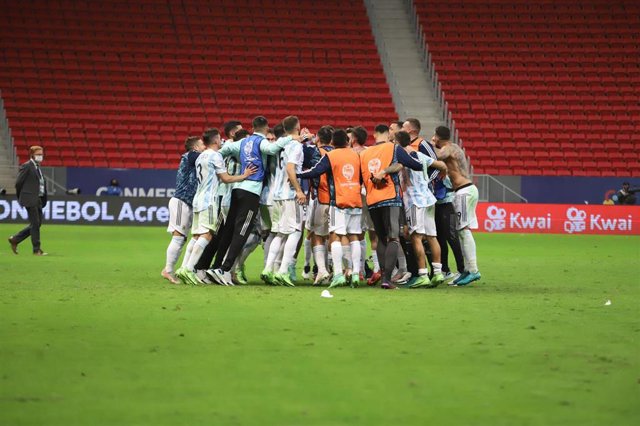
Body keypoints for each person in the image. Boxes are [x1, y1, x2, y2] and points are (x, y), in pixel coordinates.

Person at [207, 116, 301, 286]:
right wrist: (291, 137)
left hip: (237, 189)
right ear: (265, 128)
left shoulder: (243, 142)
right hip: (251, 191)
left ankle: (219, 267)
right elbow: (272, 149)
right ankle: (225, 269)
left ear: (252, 127)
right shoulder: (260, 141)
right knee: (242, 232)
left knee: (233, 231)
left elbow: (223, 150)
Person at [175, 128, 256, 285]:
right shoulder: (215, 156)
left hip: (197, 198)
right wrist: (244, 176)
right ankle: (189, 268)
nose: (221, 141)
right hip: (209, 200)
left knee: (197, 236)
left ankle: (184, 267)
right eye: (219, 139)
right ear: (215, 140)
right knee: (207, 235)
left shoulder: (200, 156)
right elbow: (225, 178)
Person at [298, 129, 364, 288]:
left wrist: (297, 175)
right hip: (355, 199)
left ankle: (338, 274)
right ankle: (355, 273)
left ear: (333, 143)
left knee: (335, 235)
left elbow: (316, 171)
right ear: (347, 142)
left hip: (337, 201)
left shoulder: (331, 155)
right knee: (354, 235)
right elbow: (361, 177)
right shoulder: (356, 155)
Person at [361, 129, 424, 289]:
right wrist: (405, 160)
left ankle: (383, 276)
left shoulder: (365, 153)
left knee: (381, 239)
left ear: (374, 135)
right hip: (390, 198)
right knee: (393, 238)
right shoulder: (393, 148)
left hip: (371, 200)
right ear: (387, 135)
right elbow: (416, 165)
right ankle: (387, 279)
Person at [395, 131, 448, 288]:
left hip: (414, 200)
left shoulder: (399, 155)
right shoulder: (418, 154)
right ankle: (438, 273)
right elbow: (441, 165)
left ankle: (423, 274)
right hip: (428, 199)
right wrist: (439, 176)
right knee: (432, 236)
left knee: (416, 237)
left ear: (397, 142)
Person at [261, 116, 308, 287]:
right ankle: (282, 271)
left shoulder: (278, 145)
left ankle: (268, 268)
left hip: (275, 195)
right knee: (295, 232)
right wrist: (298, 190)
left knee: (280, 233)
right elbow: (290, 168)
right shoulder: (295, 146)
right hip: (289, 194)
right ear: (297, 126)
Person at [434, 126, 481, 286]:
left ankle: (473, 270)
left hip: (463, 191)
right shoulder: (455, 148)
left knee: (463, 230)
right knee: (462, 231)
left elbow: (438, 156)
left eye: (435, 137)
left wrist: (429, 146)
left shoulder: (447, 148)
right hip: (467, 189)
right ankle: (467, 270)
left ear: (439, 138)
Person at [161, 136, 205, 283]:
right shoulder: (190, 156)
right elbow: (202, 157)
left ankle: (179, 269)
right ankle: (168, 270)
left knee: (184, 238)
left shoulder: (194, 157)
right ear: (195, 147)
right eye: (202, 144)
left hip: (188, 203)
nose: (204, 146)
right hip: (181, 201)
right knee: (178, 237)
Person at [304, 125, 334, 285]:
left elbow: (315, 173)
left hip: (321, 197)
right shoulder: (337, 153)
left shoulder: (317, 152)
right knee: (334, 235)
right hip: (337, 200)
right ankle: (339, 270)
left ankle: (322, 270)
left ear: (319, 139)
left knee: (317, 235)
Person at [8, 145, 48, 256]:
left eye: (41, 154)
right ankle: (36, 250)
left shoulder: (37, 167)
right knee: (35, 224)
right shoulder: (27, 166)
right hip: (30, 199)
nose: (41, 156)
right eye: (38, 154)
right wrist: (23, 196)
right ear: (32, 155)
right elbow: (18, 183)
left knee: (37, 223)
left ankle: (15, 239)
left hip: (38, 199)